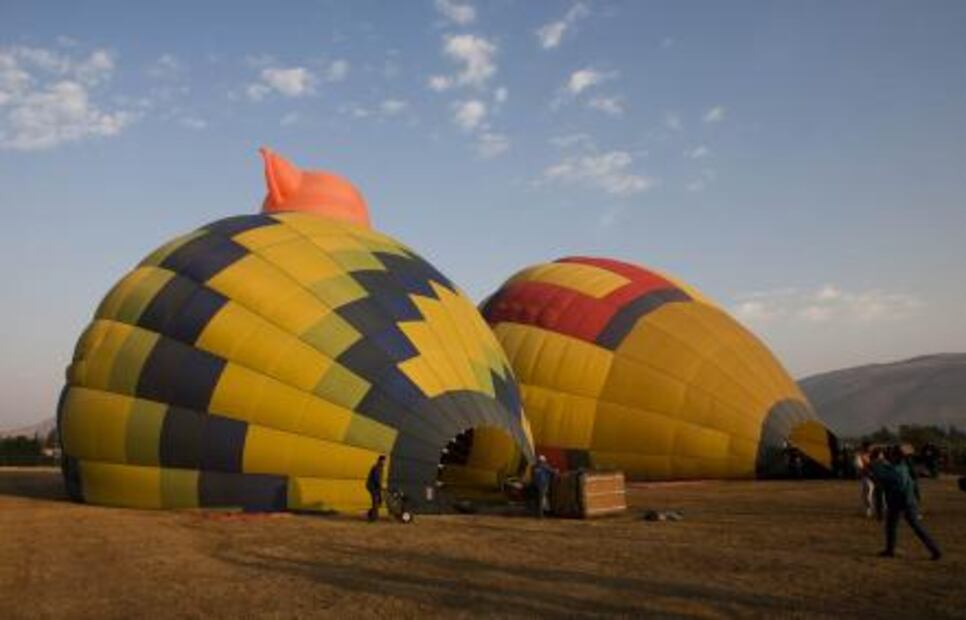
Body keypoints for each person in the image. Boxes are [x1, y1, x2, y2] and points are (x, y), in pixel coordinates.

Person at [871, 445, 942, 561]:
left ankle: (891, 550)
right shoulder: (903, 466)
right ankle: (934, 550)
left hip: (899, 501)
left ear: (895, 456)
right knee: (900, 526)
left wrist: (877, 461)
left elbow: (881, 475)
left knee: (897, 526)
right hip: (907, 500)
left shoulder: (894, 470)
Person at [854, 442, 876, 518]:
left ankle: (873, 510)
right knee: (867, 495)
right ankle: (869, 510)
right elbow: (860, 467)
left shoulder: (874, 455)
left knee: (870, 494)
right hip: (867, 477)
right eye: (870, 447)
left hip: (874, 477)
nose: (871, 449)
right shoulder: (860, 456)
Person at [366, 455, 386, 521]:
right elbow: (376, 478)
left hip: (376, 486)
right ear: (380, 460)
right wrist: (381, 486)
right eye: (383, 461)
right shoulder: (376, 467)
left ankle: (371, 513)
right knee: (376, 500)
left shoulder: (381, 467)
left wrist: (381, 486)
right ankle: (374, 518)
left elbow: (379, 479)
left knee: (379, 500)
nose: (384, 462)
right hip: (372, 486)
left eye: (384, 461)